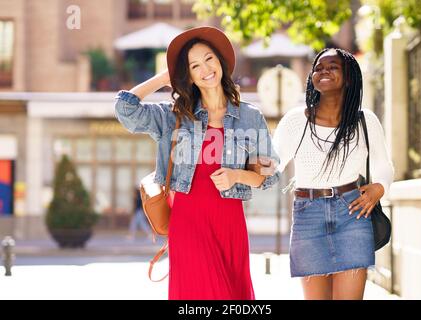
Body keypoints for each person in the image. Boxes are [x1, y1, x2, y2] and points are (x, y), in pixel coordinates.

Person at [114, 26, 280, 300]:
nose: (205, 69)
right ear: (188, 75)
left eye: (209, 59)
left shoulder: (250, 117)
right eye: (194, 66)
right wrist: (163, 78)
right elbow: (126, 109)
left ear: (221, 62)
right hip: (188, 222)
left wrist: (237, 176)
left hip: (230, 224)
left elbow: (269, 173)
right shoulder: (174, 116)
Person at [273, 48, 394, 300]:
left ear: (349, 77)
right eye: (318, 68)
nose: (323, 71)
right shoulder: (296, 121)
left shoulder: (365, 121)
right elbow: (272, 165)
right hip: (308, 215)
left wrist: (378, 188)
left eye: (333, 66)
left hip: (352, 213)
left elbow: (384, 165)